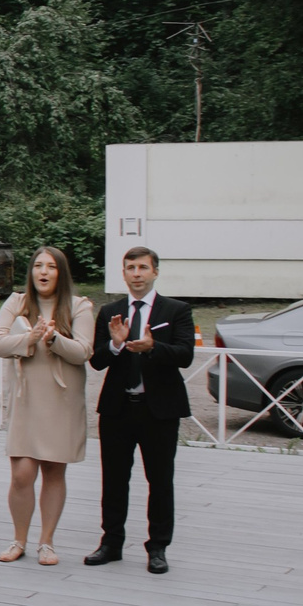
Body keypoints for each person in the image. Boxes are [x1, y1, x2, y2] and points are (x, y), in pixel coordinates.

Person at [85, 246, 194, 575]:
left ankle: (158, 547)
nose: (136, 273)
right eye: (130, 267)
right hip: (118, 408)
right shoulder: (110, 311)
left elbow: (185, 354)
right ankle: (111, 542)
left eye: (143, 267)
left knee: (160, 480)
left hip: (159, 410)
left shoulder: (176, 310)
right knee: (114, 479)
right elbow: (97, 360)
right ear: (123, 273)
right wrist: (116, 344)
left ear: (155, 272)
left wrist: (153, 348)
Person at [0, 246, 95, 567]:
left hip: (61, 402)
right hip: (27, 400)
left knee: (53, 470)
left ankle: (46, 542)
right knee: (21, 474)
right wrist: (30, 339)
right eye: (38, 266)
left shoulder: (79, 306)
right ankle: (18, 538)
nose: (43, 272)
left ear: (61, 273)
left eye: (50, 267)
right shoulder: (16, 302)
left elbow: (83, 351)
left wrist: (53, 340)